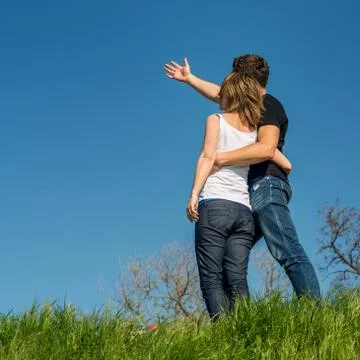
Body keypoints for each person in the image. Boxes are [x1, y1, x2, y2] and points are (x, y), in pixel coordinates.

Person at [164, 54, 321, 299]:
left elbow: (266, 148)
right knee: (231, 264)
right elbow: (221, 95)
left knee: (286, 249)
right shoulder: (248, 108)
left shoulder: (268, 104)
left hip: (266, 185)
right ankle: (239, 322)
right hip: (248, 194)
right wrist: (190, 79)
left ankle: (314, 313)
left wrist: (220, 158)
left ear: (244, 80)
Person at [186, 70, 291, 320]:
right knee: (236, 278)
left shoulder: (215, 119)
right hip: (243, 212)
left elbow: (208, 156)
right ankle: (245, 329)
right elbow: (285, 163)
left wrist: (193, 193)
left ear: (227, 95)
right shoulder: (255, 130)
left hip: (214, 205)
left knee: (212, 277)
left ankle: (224, 339)